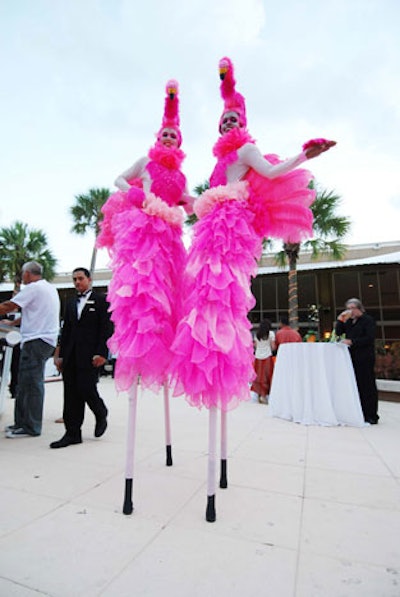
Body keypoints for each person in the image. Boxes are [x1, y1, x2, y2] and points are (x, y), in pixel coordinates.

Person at [171, 57, 335, 410]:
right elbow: (212, 192)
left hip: (230, 223)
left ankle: (222, 357)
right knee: (205, 287)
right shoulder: (219, 160)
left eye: (235, 118)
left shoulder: (245, 149)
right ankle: (209, 354)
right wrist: (186, 201)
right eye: (224, 120)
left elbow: (273, 172)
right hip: (212, 221)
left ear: (243, 124)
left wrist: (304, 155)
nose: (229, 121)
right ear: (219, 128)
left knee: (222, 289)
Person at [96, 80, 193, 392]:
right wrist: (135, 194)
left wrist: (205, 205)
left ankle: (160, 354)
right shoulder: (146, 162)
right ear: (158, 137)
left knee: (166, 292)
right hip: (145, 226)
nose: (168, 138)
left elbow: (186, 201)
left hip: (170, 233)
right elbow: (119, 179)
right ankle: (138, 351)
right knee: (143, 289)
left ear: (179, 144)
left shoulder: (180, 175)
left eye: (173, 136)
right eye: (165, 134)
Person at [50, 267, 112, 448]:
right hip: (70, 355)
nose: (77, 282)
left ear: (89, 279)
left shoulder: (101, 300)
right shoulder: (70, 302)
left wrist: (102, 353)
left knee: (86, 388)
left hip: (90, 355)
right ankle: (72, 433)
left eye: (80, 278)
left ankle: (100, 412)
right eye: (74, 279)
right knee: (70, 394)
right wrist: (60, 355)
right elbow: (66, 330)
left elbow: (106, 329)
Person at [0, 261, 60, 438]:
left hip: (36, 341)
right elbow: (32, 312)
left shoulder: (33, 288)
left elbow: (9, 306)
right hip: (44, 340)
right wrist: (12, 323)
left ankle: (31, 427)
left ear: (27, 274)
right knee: (24, 383)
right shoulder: (49, 288)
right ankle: (21, 423)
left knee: (31, 384)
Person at [335, 298, 379, 424]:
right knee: (356, 385)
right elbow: (338, 332)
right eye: (348, 308)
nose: (350, 311)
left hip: (365, 357)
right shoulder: (349, 322)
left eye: (353, 308)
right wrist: (340, 320)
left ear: (359, 308)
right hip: (352, 357)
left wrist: (353, 342)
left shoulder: (367, 320)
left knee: (367, 385)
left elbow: (369, 338)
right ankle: (359, 412)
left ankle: (371, 414)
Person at [250, 319, 276, 404]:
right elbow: (273, 347)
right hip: (267, 357)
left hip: (258, 357)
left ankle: (259, 394)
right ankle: (264, 396)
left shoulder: (257, 334)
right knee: (267, 376)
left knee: (258, 376)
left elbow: (255, 346)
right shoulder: (271, 334)